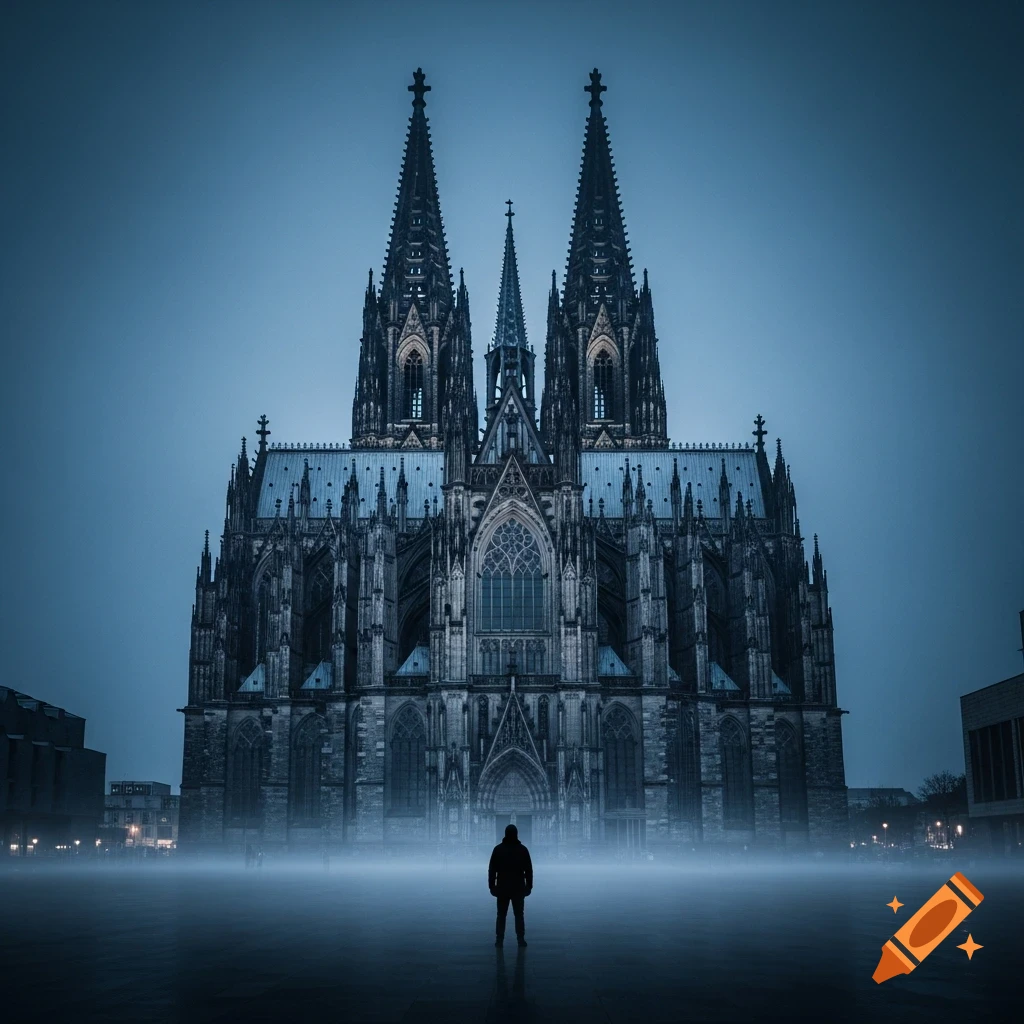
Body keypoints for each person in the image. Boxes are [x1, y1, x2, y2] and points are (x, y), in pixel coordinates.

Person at [488, 823, 533, 947]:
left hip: (502, 887)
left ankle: (499, 939)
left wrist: (492, 886)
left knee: (501, 915)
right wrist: (529, 886)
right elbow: (529, 869)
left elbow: (492, 869)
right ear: (516, 834)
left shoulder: (498, 849)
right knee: (519, 915)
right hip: (518, 887)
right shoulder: (523, 849)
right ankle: (520, 939)